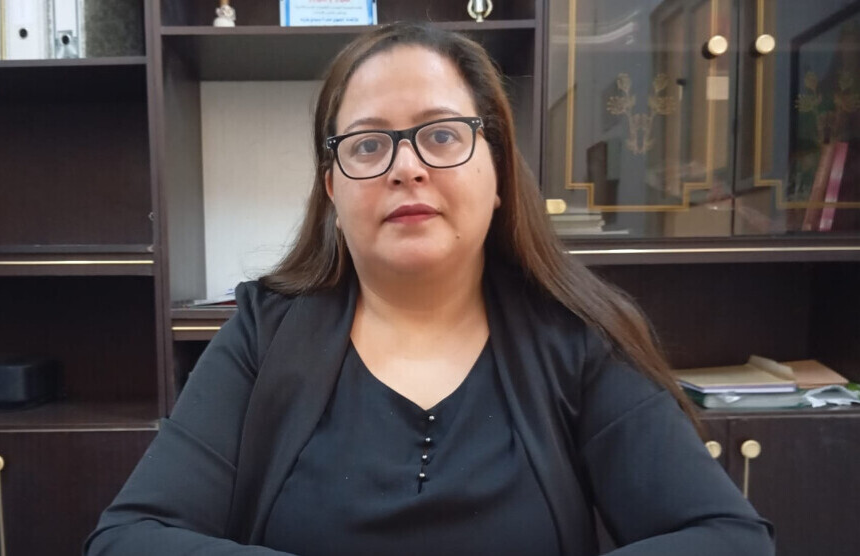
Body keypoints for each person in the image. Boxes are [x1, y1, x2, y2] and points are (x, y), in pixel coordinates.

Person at [85, 22, 774, 555]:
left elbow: (728, 538)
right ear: (332, 191)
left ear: (497, 171)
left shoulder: (578, 338)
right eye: (367, 145)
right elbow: (129, 537)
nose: (406, 166)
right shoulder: (263, 333)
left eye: (442, 135)